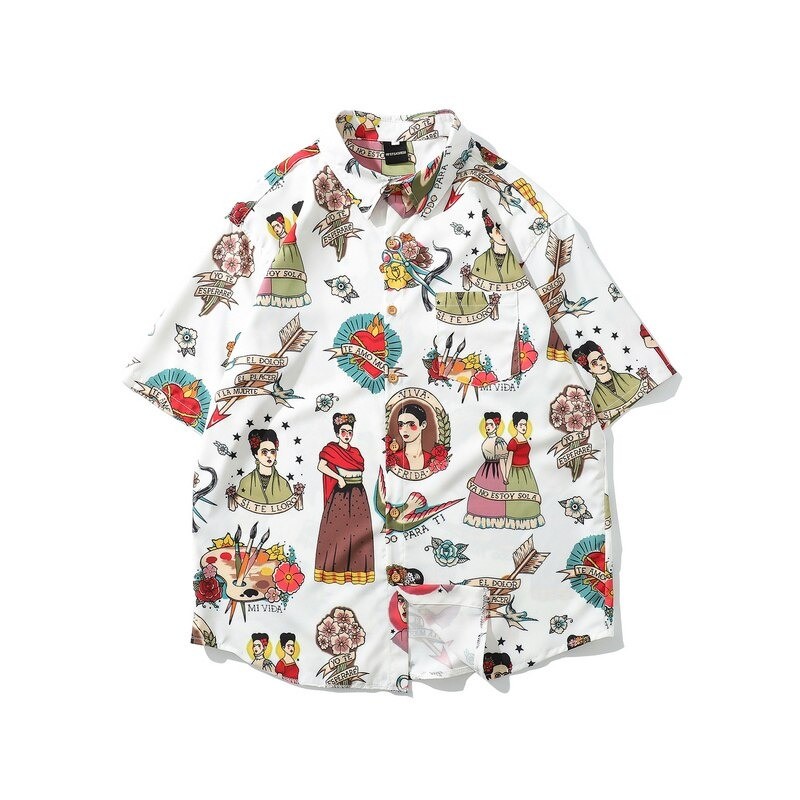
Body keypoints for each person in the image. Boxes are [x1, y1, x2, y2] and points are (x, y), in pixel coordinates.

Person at [314, 413, 375, 584]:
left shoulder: (356, 452)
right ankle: (334, 572)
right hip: (341, 494)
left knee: (359, 533)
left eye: (350, 432)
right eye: (343, 431)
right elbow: (321, 466)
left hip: (358, 494)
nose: (347, 435)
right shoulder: (331, 449)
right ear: (337, 433)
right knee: (338, 532)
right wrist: (338, 478)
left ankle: (357, 573)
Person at [571, 339, 645, 424]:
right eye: (594, 363)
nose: (600, 363)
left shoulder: (628, 378)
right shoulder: (596, 397)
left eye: (601, 358)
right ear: (589, 370)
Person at [256, 202, 311, 308]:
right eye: (273, 227)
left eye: (277, 225)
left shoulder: (290, 236)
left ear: (283, 224)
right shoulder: (279, 240)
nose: (276, 229)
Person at [464, 411, 510, 528]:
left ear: (497, 426)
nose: (488, 427)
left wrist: (505, 476)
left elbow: (502, 460)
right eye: (487, 424)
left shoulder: (499, 441)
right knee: (480, 497)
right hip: (484, 470)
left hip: (496, 472)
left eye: (491, 424)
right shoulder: (486, 440)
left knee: (494, 496)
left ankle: (496, 518)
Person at [504, 412, 545, 529]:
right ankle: (515, 520)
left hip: (527, 472)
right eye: (521, 425)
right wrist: (506, 475)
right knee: (516, 497)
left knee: (529, 496)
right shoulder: (513, 441)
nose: (523, 427)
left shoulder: (525, 439)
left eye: (525, 425)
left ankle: (528, 519)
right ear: (515, 426)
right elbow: (509, 459)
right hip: (515, 473)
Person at [236, 429, 293, 506]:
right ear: (256, 454)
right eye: (264, 452)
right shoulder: (245, 482)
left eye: (272, 452)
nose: (269, 456)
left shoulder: (283, 484)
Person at [392, 403, 433, 471]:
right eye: (401, 424)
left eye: (411, 424)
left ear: (423, 425)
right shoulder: (394, 459)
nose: (404, 430)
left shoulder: (431, 459)